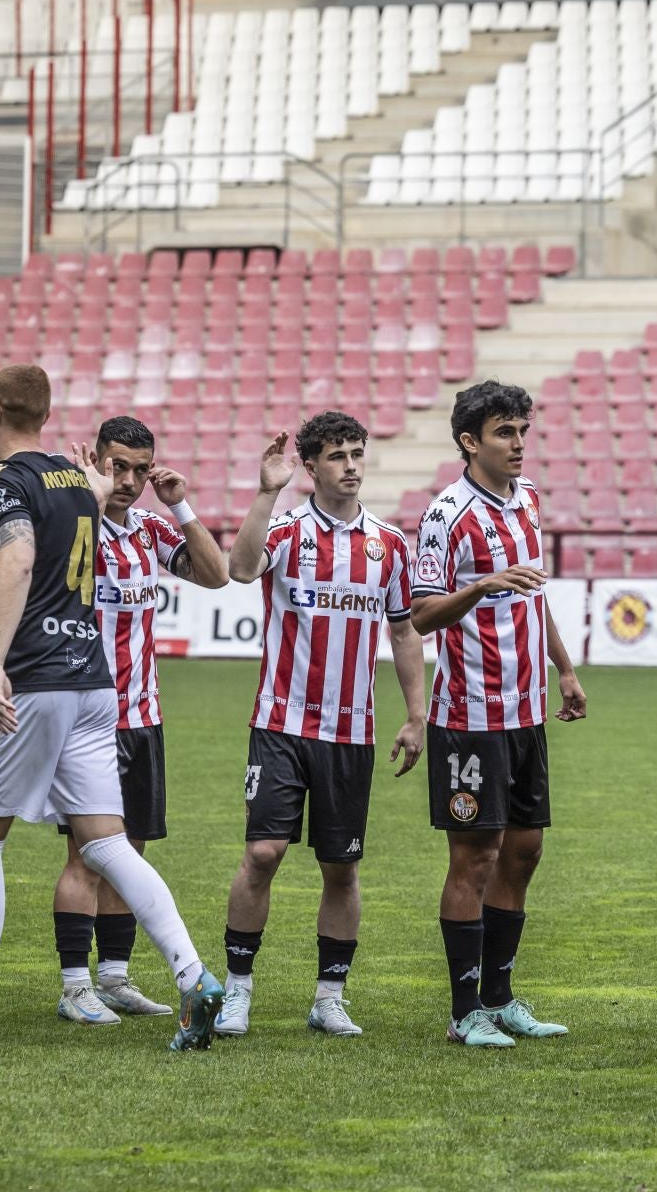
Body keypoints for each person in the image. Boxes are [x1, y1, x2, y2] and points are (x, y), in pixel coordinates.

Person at [0, 364, 224, 1047]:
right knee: (108, 842)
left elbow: (17, 556)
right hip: (96, 686)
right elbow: (59, 503)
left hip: (36, 680)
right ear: (49, 416)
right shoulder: (79, 481)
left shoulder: (12, 482)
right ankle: (195, 975)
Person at [215, 413, 426, 1040]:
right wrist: (264, 491)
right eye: (337, 456)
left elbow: (404, 628)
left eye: (357, 453)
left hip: (352, 733)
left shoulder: (389, 544)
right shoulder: (283, 530)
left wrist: (416, 715)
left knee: (342, 867)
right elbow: (241, 569)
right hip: (280, 724)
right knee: (263, 853)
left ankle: (329, 997)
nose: (352, 465)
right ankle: (237, 990)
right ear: (311, 467)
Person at [410, 381, 586, 1048]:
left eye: (522, 430)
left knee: (525, 850)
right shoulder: (447, 516)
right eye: (504, 433)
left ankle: (501, 997)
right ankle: (464, 1015)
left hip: (524, 712)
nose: (518, 444)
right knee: (475, 859)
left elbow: (531, 597)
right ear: (469, 441)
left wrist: (562, 669)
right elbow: (422, 613)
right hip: (468, 714)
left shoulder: (529, 500)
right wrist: (478, 586)